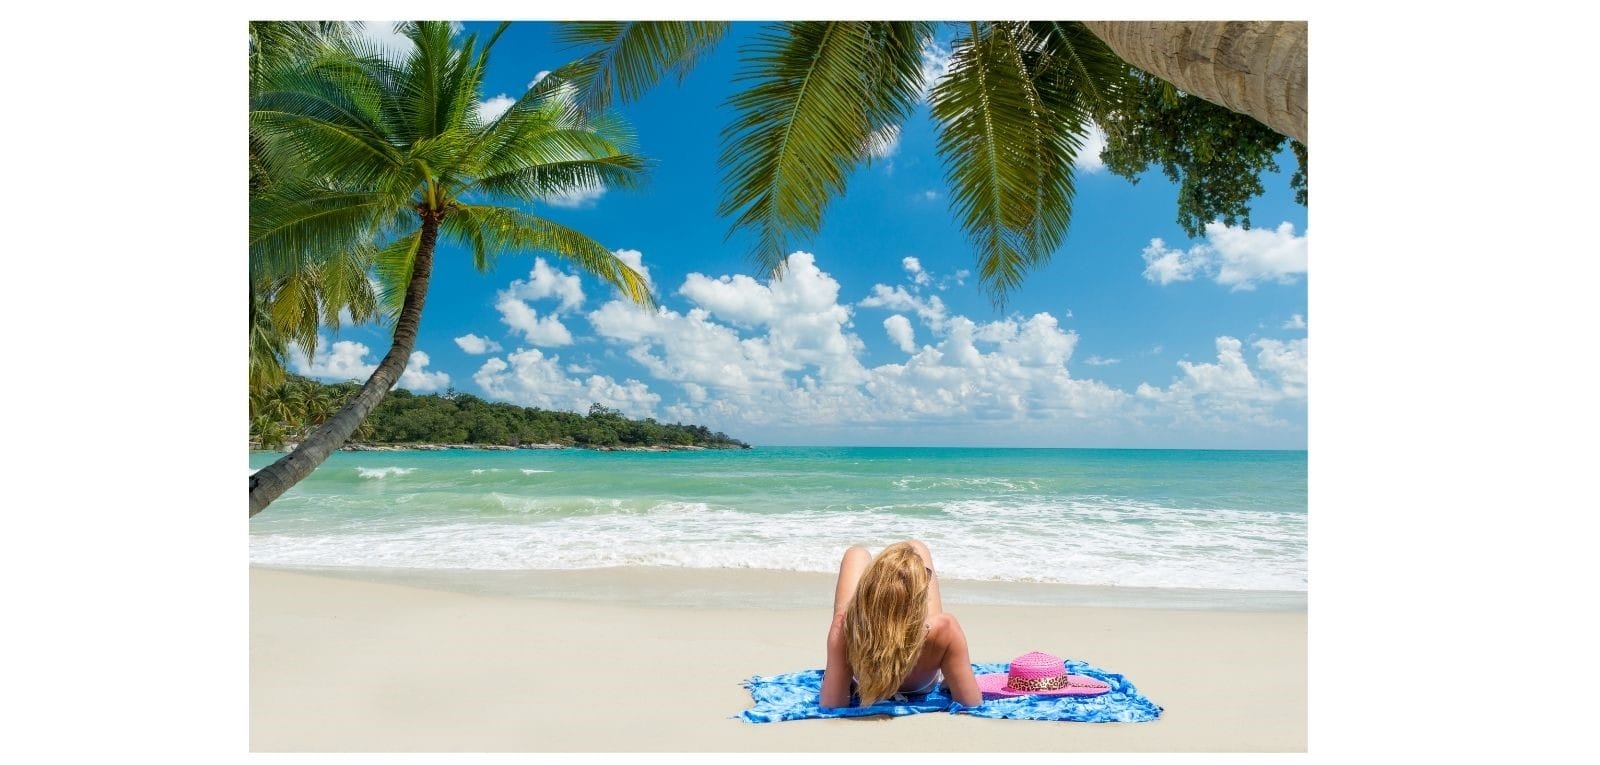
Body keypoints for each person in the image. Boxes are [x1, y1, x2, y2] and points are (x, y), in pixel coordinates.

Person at [820, 540, 982, 708]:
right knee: (916, 547)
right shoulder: (945, 628)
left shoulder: (845, 625)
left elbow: (832, 705)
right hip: (919, 686)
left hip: (864, 682)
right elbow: (972, 703)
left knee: (856, 554)